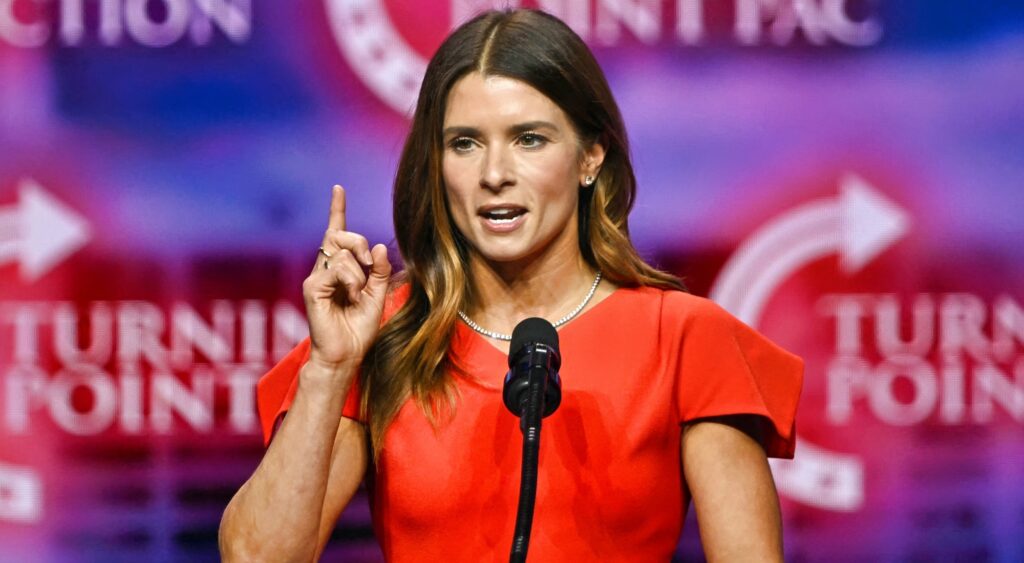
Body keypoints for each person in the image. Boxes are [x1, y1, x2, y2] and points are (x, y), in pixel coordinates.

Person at [219, 8, 803, 562]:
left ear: (590, 158)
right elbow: (254, 556)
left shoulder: (684, 338)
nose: (494, 174)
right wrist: (329, 369)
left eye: (529, 139)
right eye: (465, 143)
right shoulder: (383, 335)